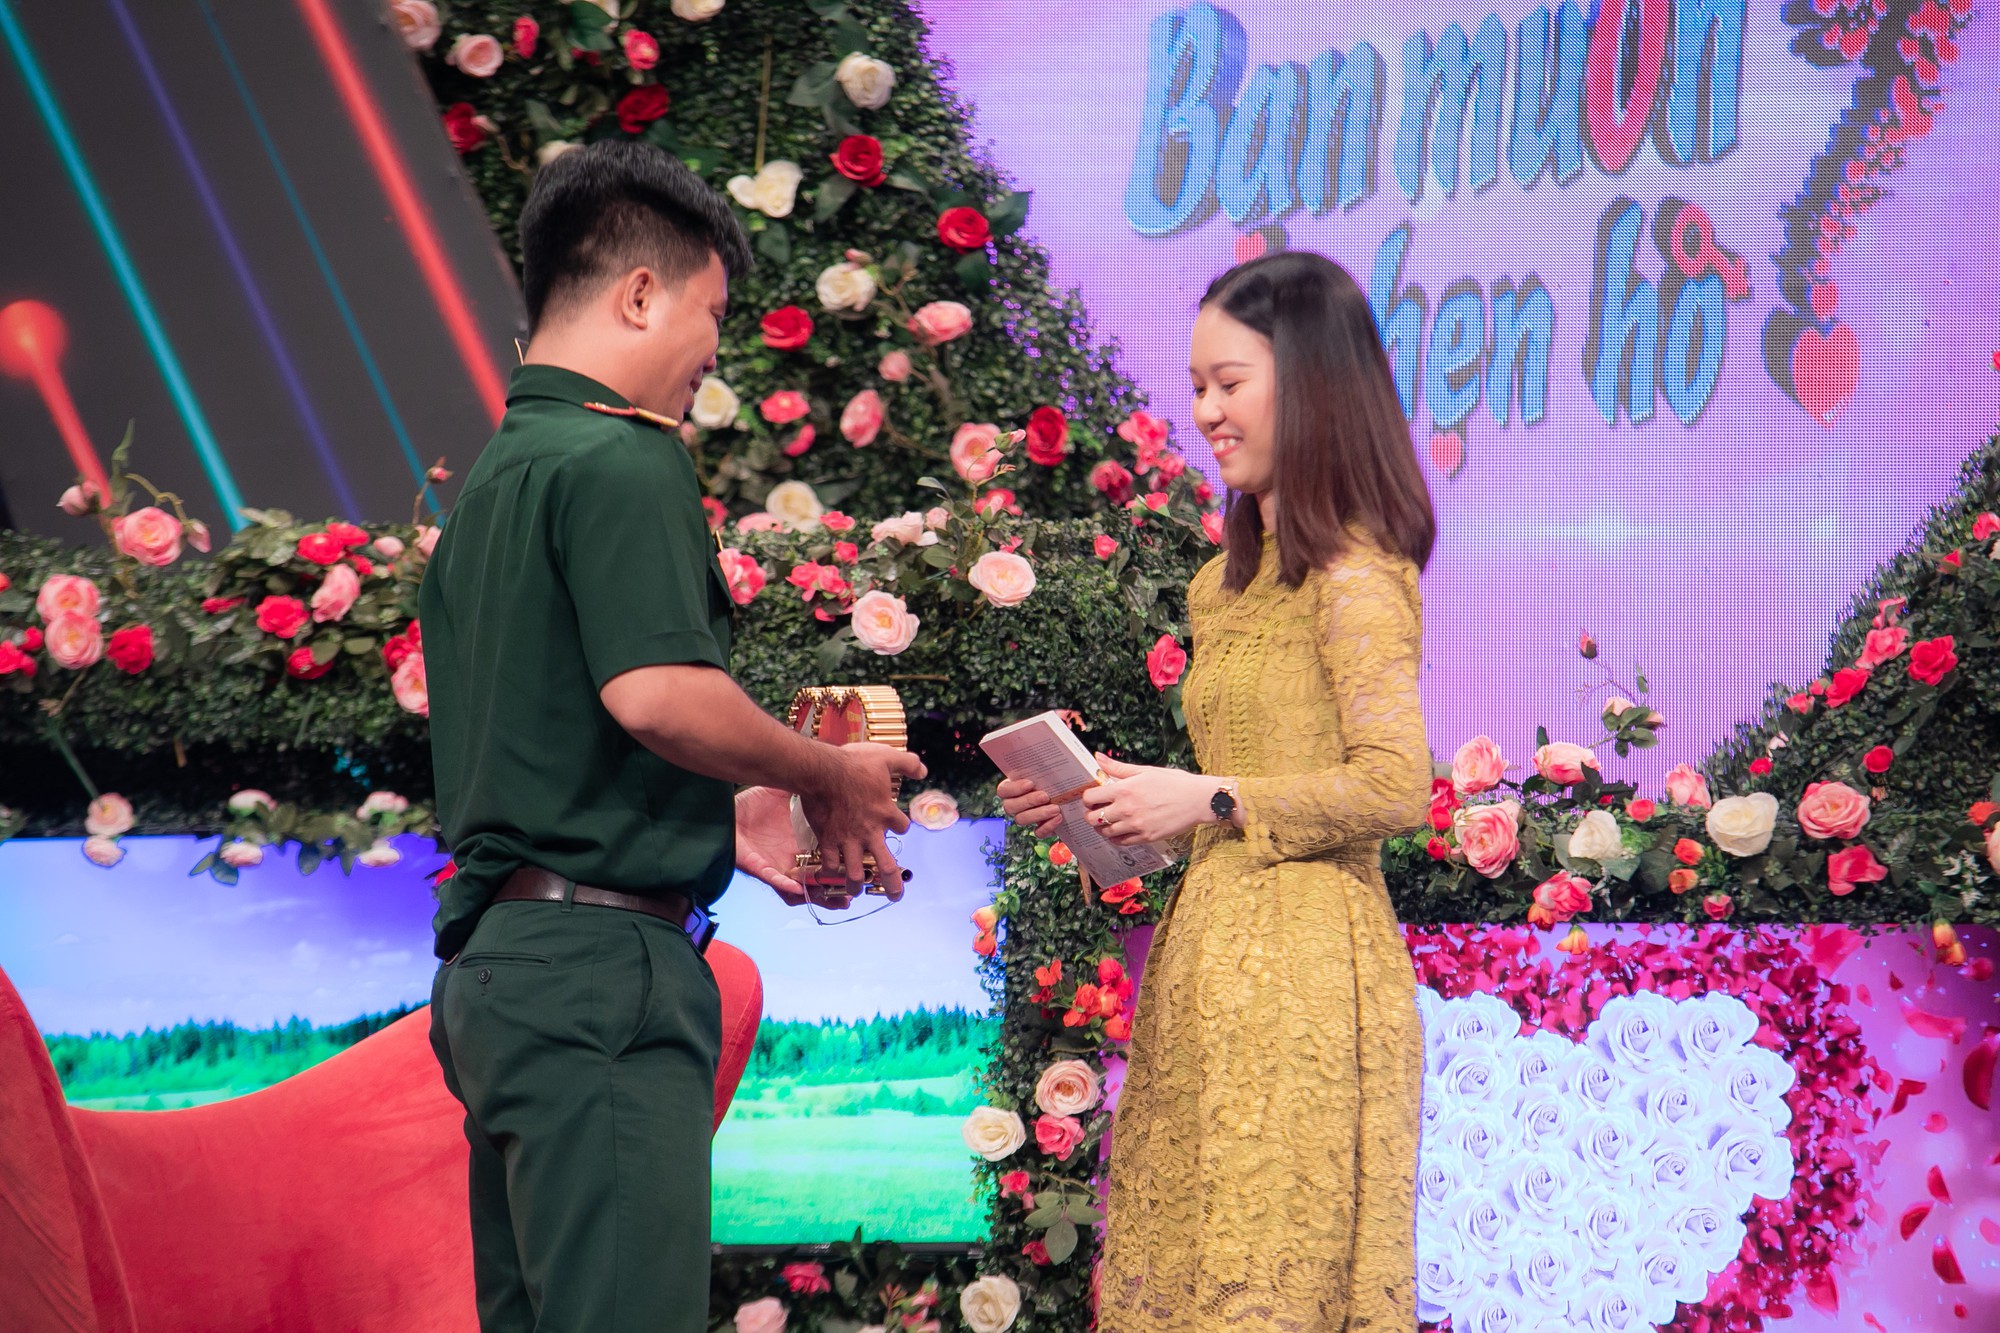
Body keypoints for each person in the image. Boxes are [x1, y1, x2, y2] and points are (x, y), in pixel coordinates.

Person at [422, 142, 924, 1333]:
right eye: (712, 314)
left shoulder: (492, 483)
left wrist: (718, 811)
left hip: (500, 970)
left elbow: (559, 728)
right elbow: (654, 694)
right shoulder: (623, 451)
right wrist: (823, 772)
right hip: (601, 978)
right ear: (640, 294)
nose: (713, 351)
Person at [1000, 251, 1436, 1332]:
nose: (1204, 412)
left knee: (1267, 1282)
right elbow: (1219, 790)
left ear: (1313, 381)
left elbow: (1396, 785)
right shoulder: (1223, 584)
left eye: (1228, 382)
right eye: (1197, 386)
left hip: (1308, 972)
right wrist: (1093, 803)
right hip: (1205, 962)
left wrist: (1213, 799)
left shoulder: (1357, 576)